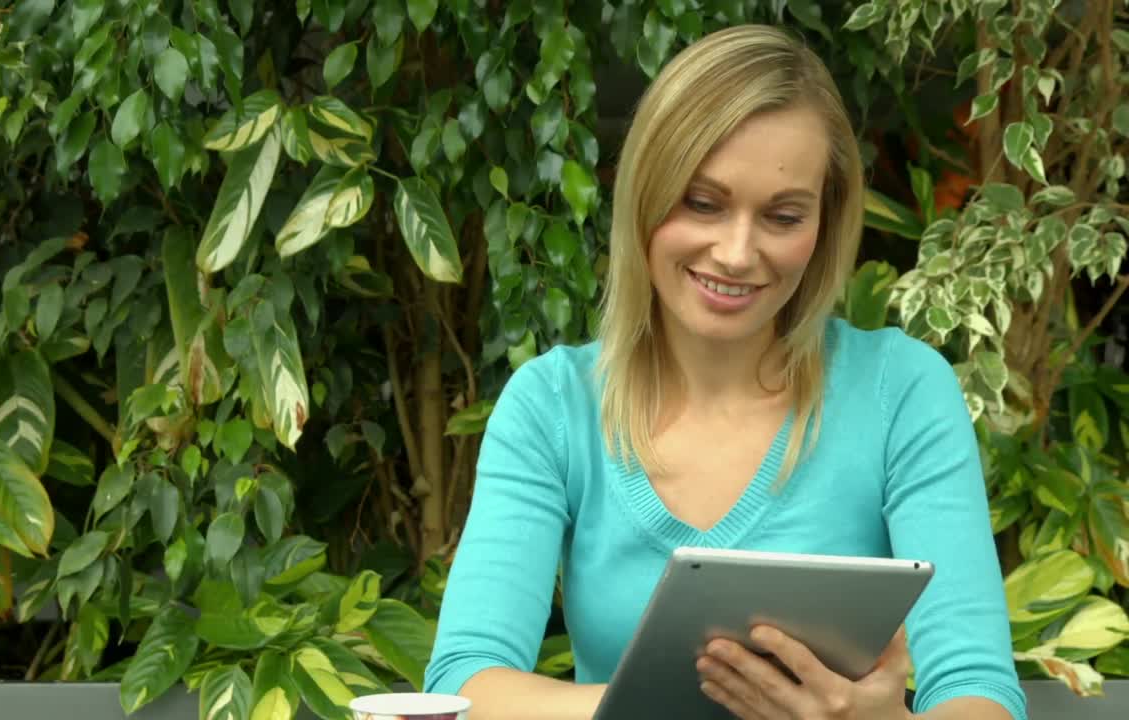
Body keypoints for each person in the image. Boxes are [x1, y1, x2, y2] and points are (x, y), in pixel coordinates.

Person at [422, 24, 1026, 720]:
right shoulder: (552, 405)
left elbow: (980, 690)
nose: (737, 253)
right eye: (702, 203)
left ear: (825, 225)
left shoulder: (902, 391)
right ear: (646, 193)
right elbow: (464, 683)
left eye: (783, 215)